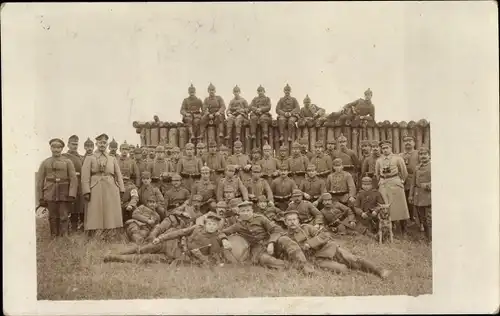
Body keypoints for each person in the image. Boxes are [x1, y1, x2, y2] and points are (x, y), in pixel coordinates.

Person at [281, 209, 391, 278]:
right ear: (285, 222)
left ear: (298, 221)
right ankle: (360, 274)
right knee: (341, 269)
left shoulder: (307, 227)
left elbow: (325, 235)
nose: (292, 222)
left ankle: (378, 270)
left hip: (328, 248)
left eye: (294, 219)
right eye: (289, 220)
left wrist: (310, 243)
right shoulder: (286, 238)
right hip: (317, 259)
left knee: (352, 259)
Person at [221, 201, 315, 274]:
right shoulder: (238, 225)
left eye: (248, 210)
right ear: (239, 213)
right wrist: (224, 240)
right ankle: (291, 267)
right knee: (265, 260)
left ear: (252, 211)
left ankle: (305, 265)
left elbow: (276, 229)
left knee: (284, 239)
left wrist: (271, 242)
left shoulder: (260, 218)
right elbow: (222, 233)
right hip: (257, 250)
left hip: (270, 242)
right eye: (243, 211)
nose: (246, 213)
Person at [104, 213, 228, 265]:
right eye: (210, 223)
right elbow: (179, 232)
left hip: (175, 257)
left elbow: (210, 262)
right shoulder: (197, 227)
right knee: (142, 249)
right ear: (205, 223)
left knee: (144, 259)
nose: (211, 226)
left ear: (218, 227)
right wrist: (161, 238)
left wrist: (200, 256)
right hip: (170, 244)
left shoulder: (216, 240)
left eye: (214, 225)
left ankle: (114, 258)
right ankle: (118, 253)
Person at [81, 133, 125, 238]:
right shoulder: (90, 158)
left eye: (104, 142)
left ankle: (110, 233)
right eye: (100, 142)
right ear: (96, 143)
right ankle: (96, 233)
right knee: (95, 210)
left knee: (110, 209)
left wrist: (121, 188)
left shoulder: (112, 158)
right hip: (95, 186)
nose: (102, 144)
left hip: (111, 186)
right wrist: (86, 191)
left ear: (107, 144)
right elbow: (85, 176)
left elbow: (118, 174)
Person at [37, 138, 78, 237]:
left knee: (64, 215)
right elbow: (40, 181)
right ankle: (54, 236)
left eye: (59, 147)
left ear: (62, 148)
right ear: (50, 148)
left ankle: (64, 236)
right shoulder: (45, 162)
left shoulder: (68, 162)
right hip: (50, 192)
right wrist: (41, 197)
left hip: (64, 192)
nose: (56, 150)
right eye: (54, 147)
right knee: (52, 216)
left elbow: (73, 179)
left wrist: (72, 194)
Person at [375, 140, 409, 236]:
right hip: (384, 183)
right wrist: (380, 182)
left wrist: (401, 181)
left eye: (387, 148)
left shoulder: (398, 159)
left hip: (395, 182)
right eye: (383, 148)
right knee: (386, 206)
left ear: (391, 148)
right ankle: (389, 229)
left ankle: (403, 229)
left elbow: (404, 172)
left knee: (400, 206)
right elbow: (377, 173)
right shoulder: (379, 160)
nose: (385, 150)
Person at [62, 135, 84, 232]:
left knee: (81, 206)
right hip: (70, 184)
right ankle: (72, 229)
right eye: (73, 144)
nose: (74, 146)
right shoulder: (64, 157)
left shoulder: (81, 157)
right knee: (72, 207)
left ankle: (82, 228)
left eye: (76, 144)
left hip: (81, 184)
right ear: (68, 144)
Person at [409, 147, 432, 242]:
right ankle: (426, 237)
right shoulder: (417, 167)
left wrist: (427, 185)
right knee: (421, 218)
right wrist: (411, 195)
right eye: (421, 154)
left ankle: (431, 238)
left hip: (429, 195)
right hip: (418, 196)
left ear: (429, 155)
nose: (422, 156)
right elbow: (413, 183)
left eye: (425, 154)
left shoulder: (432, 166)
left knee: (429, 217)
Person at [399, 135, 420, 225]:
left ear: (414, 143)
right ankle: (407, 220)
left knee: (416, 201)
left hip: (416, 181)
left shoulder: (418, 153)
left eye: (410, 140)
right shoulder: (400, 155)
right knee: (405, 201)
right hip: (403, 181)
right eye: (405, 141)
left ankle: (419, 221)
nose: (407, 142)